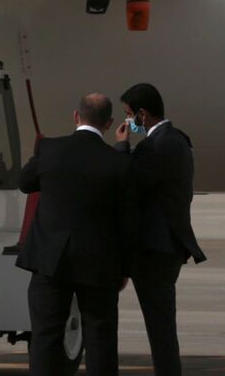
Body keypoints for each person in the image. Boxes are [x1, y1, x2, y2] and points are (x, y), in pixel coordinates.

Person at [20, 93, 133, 376]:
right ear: (108, 123)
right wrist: (124, 268)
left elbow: (25, 183)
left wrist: (39, 155)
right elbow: (127, 218)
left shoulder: (50, 149)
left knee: (45, 335)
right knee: (101, 338)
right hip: (99, 262)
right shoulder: (117, 161)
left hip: (51, 259)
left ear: (75, 116)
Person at [111, 84, 205, 376]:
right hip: (166, 246)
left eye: (129, 115)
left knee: (160, 325)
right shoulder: (175, 139)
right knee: (161, 323)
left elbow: (129, 184)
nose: (127, 122)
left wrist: (122, 147)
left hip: (155, 248)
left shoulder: (157, 145)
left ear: (142, 113)